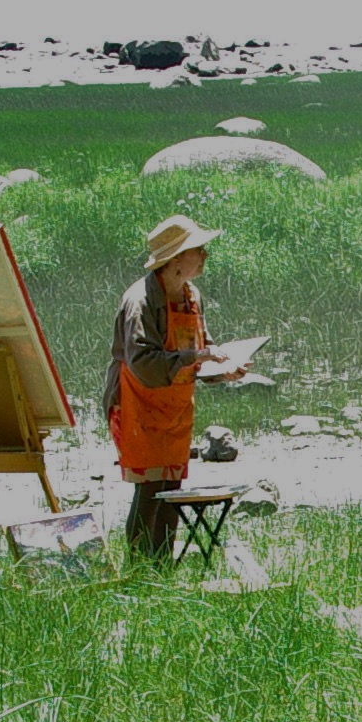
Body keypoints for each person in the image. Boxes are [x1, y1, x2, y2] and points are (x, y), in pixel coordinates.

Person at [108, 213, 247, 558]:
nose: (205, 255)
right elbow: (143, 363)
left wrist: (224, 369)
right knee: (150, 488)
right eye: (198, 249)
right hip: (137, 402)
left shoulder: (191, 295)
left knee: (172, 488)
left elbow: (201, 351)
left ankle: (162, 567)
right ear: (175, 259)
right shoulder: (140, 301)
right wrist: (199, 355)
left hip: (175, 405)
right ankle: (139, 568)